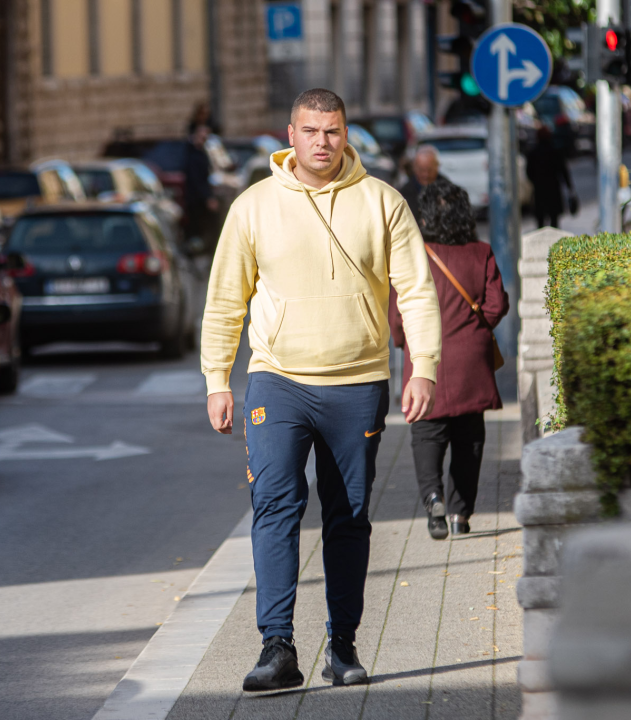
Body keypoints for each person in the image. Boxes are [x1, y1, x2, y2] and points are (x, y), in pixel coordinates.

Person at [202, 89, 442, 692]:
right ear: (291, 135)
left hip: (358, 383)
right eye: (310, 131)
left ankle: (343, 645)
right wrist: (216, 380)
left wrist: (426, 367)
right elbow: (226, 300)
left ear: (344, 134)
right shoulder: (253, 206)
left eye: (332, 131)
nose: (321, 142)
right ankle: (276, 647)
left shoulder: (383, 202)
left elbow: (416, 291)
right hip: (276, 380)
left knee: (349, 517)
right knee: (276, 508)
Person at [389, 177, 509, 539]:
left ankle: (432, 497)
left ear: (423, 219)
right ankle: (460, 514)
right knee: (469, 438)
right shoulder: (481, 252)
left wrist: (403, 341)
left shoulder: (416, 255)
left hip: (427, 361)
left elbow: (398, 314)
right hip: (472, 361)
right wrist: (474, 329)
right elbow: (497, 304)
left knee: (426, 432)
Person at [526, 125, 575, 229]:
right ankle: (554, 244)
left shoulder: (533, 153)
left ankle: (541, 243)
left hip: (539, 191)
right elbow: (563, 171)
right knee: (554, 222)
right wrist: (569, 187)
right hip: (553, 191)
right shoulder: (555, 151)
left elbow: (529, 173)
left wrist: (536, 181)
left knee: (540, 224)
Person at [183, 123, 219, 253]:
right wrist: (208, 197)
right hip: (196, 198)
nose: (204, 137)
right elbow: (197, 179)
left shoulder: (201, 152)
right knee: (199, 226)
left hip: (198, 196)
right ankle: (199, 249)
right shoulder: (192, 154)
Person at [397, 145, 446, 223]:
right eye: (421, 170)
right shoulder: (403, 194)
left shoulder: (448, 190)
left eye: (429, 170)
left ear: (437, 167)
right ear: (414, 168)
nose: (425, 175)